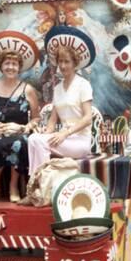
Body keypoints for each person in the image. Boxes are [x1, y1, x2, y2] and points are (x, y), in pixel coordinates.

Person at [0, 31, 40, 203]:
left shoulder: (27, 89)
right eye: (7, 63)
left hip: (20, 132)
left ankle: (13, 186)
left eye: (14, 64)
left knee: (19, 143)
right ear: (1, 66)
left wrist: (24, 128)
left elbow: (36, 118)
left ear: (19, 67)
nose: (10, 67)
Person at [28, 25, 95, 174]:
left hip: (80, 141)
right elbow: (52, 121)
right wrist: (45, 132)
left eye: (67, 62)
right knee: (33, 138)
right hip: (64, 139)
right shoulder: (57, 88)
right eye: (60, 62)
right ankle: (37, 182)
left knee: (38, 142)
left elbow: (88, 118)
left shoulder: (83, 85)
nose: (63, 66)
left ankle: (41, 184)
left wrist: (65, 133)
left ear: (74, 63)